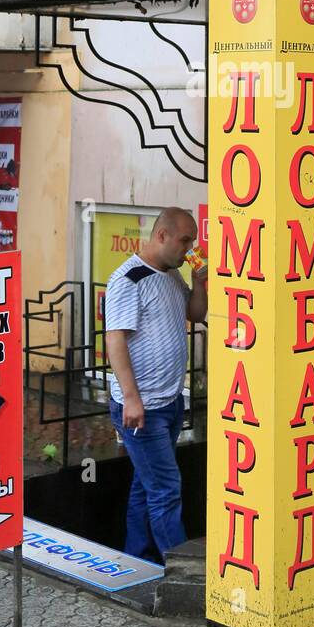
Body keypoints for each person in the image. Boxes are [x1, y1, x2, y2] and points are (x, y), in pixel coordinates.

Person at [104, 207, 208, 563]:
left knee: (145, 487)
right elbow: (115, 341)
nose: (190, 247)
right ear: (162, 235)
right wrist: (132, 400)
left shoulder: (171, 274)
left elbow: (195, 315)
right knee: (166, 489)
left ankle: (137, 558)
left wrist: (198, 282)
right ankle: (183, 573)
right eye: (185, 240)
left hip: (168, 402)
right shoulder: (129, 279)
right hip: (143, 409)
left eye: (192, 240)